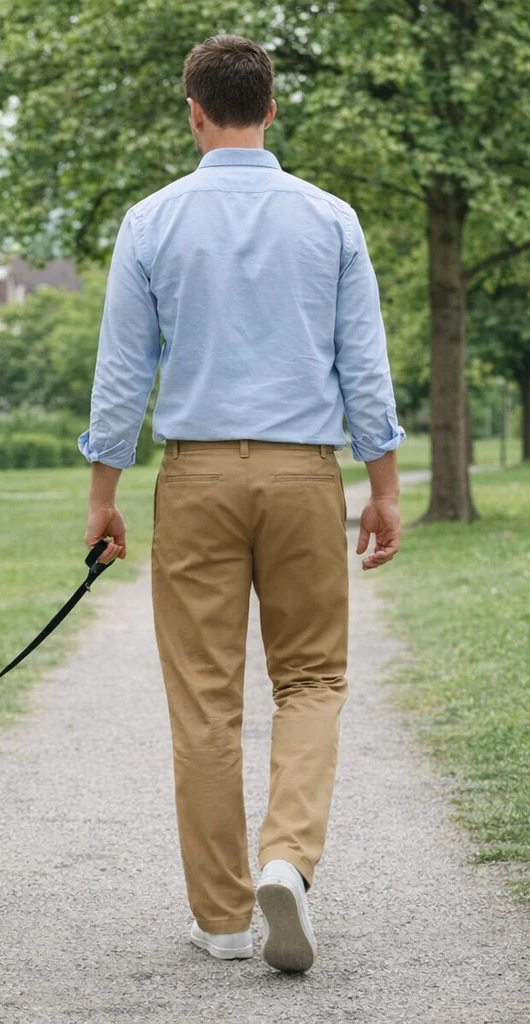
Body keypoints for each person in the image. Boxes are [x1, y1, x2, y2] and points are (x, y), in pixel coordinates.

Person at [79, 34, 404, 973]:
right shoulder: (332, 219)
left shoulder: (150, 222)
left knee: (206, 701)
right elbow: (365, 368)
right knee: (310, 680)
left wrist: (102, 497)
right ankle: (287, 862)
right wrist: (382, 488)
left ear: (192, 112)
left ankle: (222, 920)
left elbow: (120, 378)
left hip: (198, 476)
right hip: (305, 476)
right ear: (271, 108)